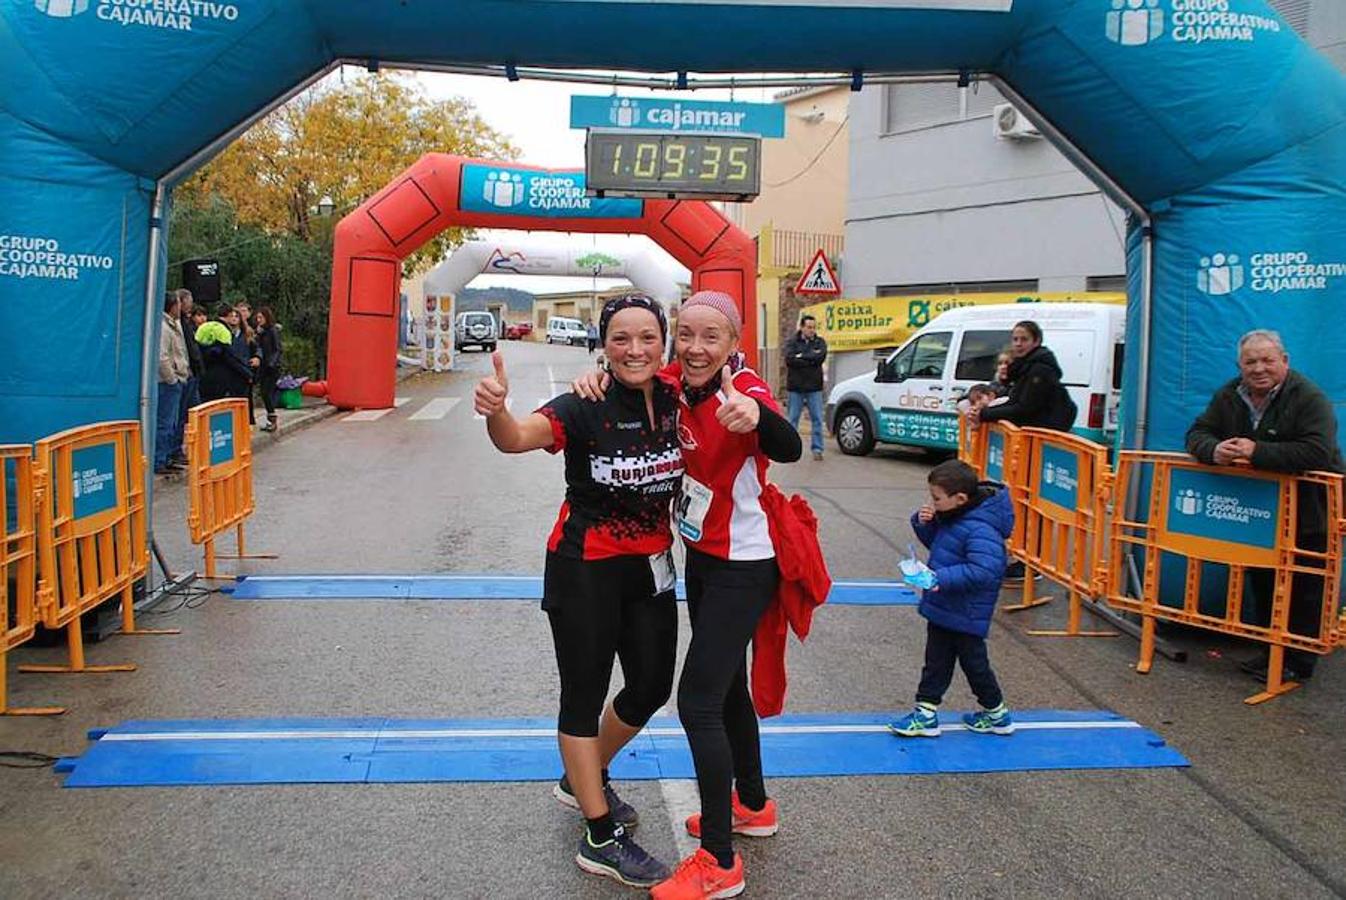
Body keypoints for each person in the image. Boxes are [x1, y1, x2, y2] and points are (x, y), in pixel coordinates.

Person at [474, 294, 681, 890]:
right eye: (621, 339)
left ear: (662, 343)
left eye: (647, 337)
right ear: (605, 346)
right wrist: (495, 410)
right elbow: (515, 438)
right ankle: (599, 834)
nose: (635, 349)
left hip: (652, 568)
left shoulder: (675, 398)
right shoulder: (584, 403)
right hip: (584, 568)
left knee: (648, 687)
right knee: (583, 696)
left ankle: (583, 774)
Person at [655, 291, 802, 900]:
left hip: (746, 563)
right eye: (685, 334)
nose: (695, 347)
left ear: (733, 344)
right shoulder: (672, 382)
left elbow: (786, 443)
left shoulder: (742, 390)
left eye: (710, 336)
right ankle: (754, 804)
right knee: (729, 689)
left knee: (698, 702)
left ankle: (719, 861)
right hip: (704, 558)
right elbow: (626, 376)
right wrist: (593, 377)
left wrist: (758, 420)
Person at [1185, 329, 1344, 682]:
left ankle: (1298, 662)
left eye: (1267, 360)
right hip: (1261, 514)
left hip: (1310, 511)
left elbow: (1317, 451)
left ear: (1284, 361)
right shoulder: (1228, 394)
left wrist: (1257, 452)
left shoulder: (1308, 398)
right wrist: (1214, 450)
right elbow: (1197, 433)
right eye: (1250, 361)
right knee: (1263, 581)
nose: (1259, 368)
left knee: (1304, 587)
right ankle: (1268, 651)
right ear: (1240, 365)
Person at [889, 459, 1016, 737]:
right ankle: (926, 711)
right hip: (945, 606)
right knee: (937, 661)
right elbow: (943, 546)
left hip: (965, 611)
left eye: (937, 498)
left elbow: (984, 569)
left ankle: (996, 712)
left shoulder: (981, 528)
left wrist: (939, 579)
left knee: (974, 665)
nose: (933, 503)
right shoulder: (957, 516)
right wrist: (924, 523)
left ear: (959, 498)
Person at [974, 321, 1076, 431]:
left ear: (1036, 341)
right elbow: (1014, 402)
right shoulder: (1023, 366)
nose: (1018, 344)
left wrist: (984, 414)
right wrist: (985, 411)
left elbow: (1025, 408)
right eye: (1015, 339)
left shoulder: (1040, 370)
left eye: (1024, 339)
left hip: (1042, 434)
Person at [784, 313, 828, 461]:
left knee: (817, 419)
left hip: (814, 388)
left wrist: (801, 357)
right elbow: (790, 360)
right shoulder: (792, 342)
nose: (812, 330)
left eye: (814, 327)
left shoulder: (820, 342)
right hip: (796, 387)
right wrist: (809, 358)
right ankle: (790, 448)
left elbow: (820, 357)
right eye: (809, 327)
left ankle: (817, 449)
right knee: (792, 420)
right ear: (802, 327)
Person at [155, 293, 191, 475]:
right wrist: (172, 379)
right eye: (179, 304)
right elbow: (162, 357)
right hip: (167, 383)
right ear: (172, 306)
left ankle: (168, 456)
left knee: (173, 422)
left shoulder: (173, 325)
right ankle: (160, 459)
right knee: (165, 422)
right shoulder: (163, 327)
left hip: (178, 379)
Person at [197, 304, 253, 401]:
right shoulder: (223, 331)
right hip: (222, 376)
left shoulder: (205, 327)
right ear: (227, 316)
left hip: (205, 373)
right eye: (232, 316)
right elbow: (229, 356)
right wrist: (247, 374)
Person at [175, 288, 203, 465]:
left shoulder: (186, 321)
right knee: (178, 415)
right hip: (183, 373)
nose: (190, 304)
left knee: (192, 412)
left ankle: (187, 447)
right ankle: (174, 450)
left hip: (192, 372)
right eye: (188, 300)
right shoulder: (176, 323)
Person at [254, 307, 283, 432]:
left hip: (271, 367)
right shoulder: (261, 332)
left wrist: (272, 362)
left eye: (261, 317)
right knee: (264, 392)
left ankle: (272, 419)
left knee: (266, 392)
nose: (259, 320)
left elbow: (277, 349)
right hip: (263, 366)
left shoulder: (272, 331)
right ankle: (270, 418)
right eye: (258, 318)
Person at [235, 300, 262, 424]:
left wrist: (257, 357)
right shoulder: (231, 329)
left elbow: (257, 347)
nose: (241, 314)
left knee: (247, 395)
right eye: (238, 311)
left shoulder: (251, 329)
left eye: (244, 311)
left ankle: (248, 420)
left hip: (248, 365)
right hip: (236, 366)